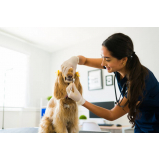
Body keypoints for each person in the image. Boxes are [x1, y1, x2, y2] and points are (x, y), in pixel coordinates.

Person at [61, 33, 159, 133]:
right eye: (102, 57)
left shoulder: (142, 81)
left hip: (155, 125)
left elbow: (112, 115)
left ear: (124, 60)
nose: (103, 63)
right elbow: (85, 60)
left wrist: (81, 101)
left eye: (107, 59)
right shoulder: (118, 65)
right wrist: (74, 60)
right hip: (140, 122)